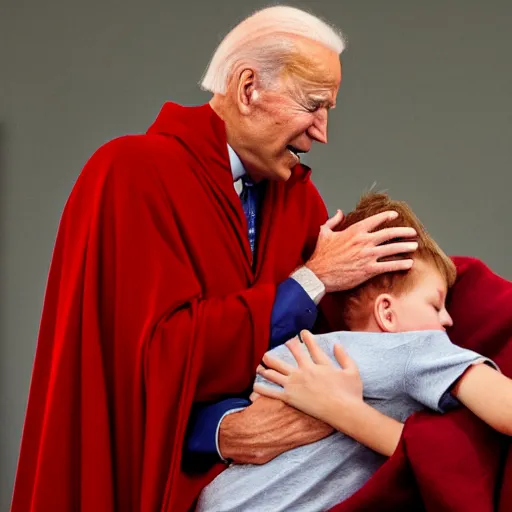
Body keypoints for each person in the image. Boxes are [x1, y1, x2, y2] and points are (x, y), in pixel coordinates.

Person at [11, 7, 419, 512]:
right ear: (248, 88)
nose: (322, 133)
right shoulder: (130, 173)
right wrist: (312, 281)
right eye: (314, 105)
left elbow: (317, 349)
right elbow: (148, 364)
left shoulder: (297, 202)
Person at [196, 192, 512, 512]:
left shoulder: (298, 348)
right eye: (436, 304)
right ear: (387, 314)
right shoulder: (416, 347)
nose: (448, 319)